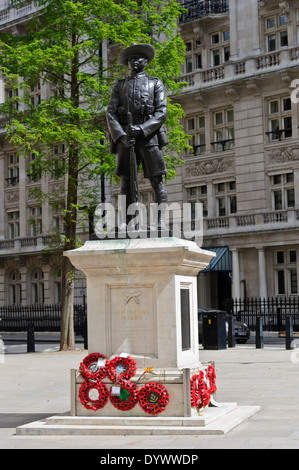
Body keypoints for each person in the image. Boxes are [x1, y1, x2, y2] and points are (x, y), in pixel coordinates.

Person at [106, 43, 168, 229]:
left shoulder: (155, 83)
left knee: (157, 180)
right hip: (126, 138)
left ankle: (160, 222)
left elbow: (162, 111)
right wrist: (122, 136)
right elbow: (110, 113)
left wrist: (142, 129)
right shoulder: (120, 86)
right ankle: (128, 221)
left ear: (146, 61)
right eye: (131, 59)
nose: (134, 61)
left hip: (149, 138)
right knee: (126, 181)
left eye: (138, 58)